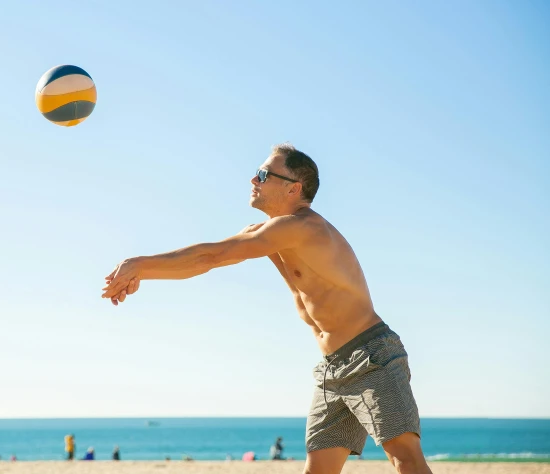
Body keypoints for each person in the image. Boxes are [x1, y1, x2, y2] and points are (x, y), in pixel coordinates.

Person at [102, 144, 433, 474]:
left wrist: (138, 263)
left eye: (263, 174)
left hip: (370, 354)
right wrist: (142, 272)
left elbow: (211, 256)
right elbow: (209, 262)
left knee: (405, 459)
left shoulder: (304, 227)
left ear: (293, 188)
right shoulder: (268, 232)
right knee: (317, 470)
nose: (253, 179)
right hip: (333, 366)